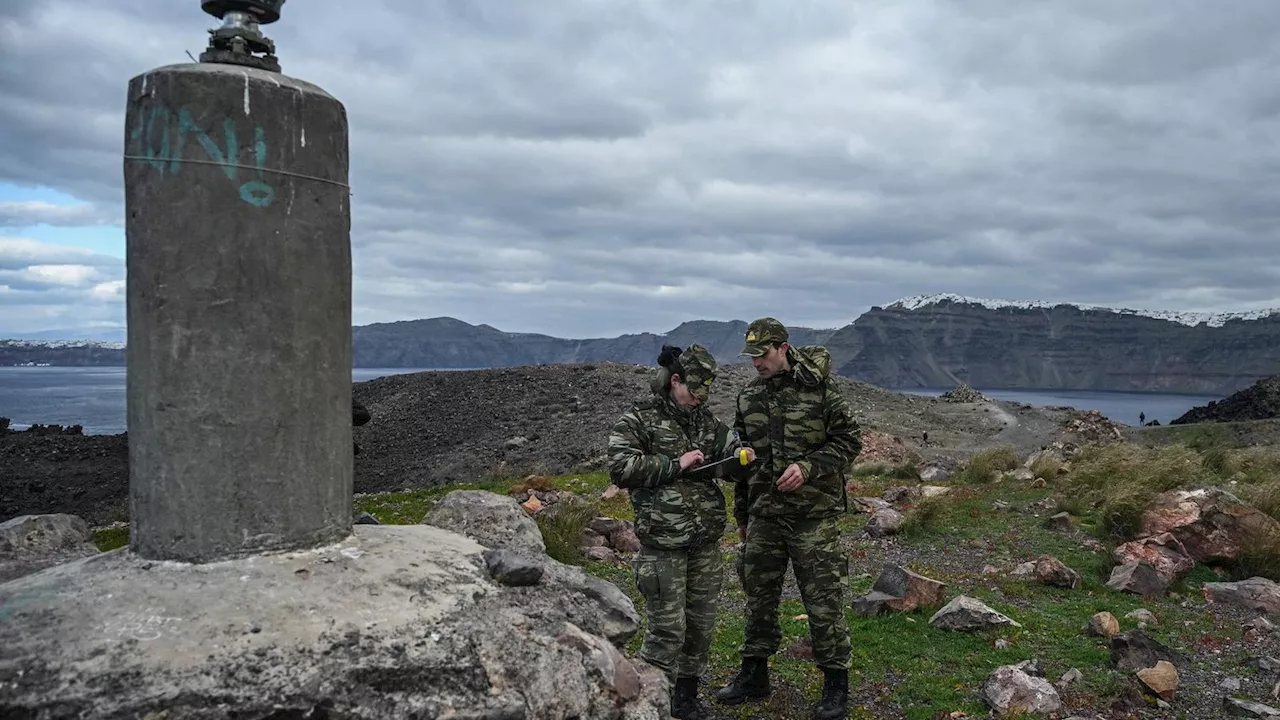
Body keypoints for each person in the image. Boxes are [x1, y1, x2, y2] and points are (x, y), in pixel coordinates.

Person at [715, 317, 862, 720]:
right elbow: (741, 460)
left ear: (782, 347)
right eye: (751, 357)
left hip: (814, 516)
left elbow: (850, 441)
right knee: (758, 597)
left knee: (823, 599)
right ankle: (754, 675)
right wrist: (743, 513)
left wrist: (810, 467)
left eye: (762, 355)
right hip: (765, 513)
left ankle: (836, 687)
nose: (756, 363)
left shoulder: (820, 388)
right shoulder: (749, 397)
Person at [607, 343, 754, 720]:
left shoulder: (704, 421)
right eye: (692, 392)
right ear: (675, 381)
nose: (696, 401)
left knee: (700, 629)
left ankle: (685, 700)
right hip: (663, 547)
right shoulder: (639, 419)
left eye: (703, 395)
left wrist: (741, 460)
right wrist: (677, 463)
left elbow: (729, 456)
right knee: (667, 631)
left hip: (704, 544)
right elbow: (621, 468)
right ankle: (654, 702)